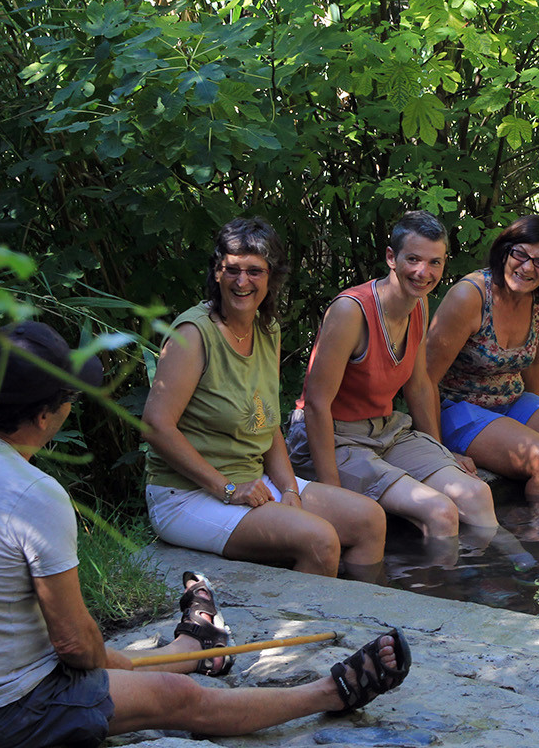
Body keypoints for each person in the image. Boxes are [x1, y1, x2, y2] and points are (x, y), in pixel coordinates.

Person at [0, 321, 410, 748]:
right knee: (176, 699)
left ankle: (196, 643)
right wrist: (117, 666)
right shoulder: (32, 494)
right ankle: (330, 693)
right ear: (43, 416)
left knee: (114, 661)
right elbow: (76, 650)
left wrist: (110, 663)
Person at [142, 218, 385, 580]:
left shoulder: (266, 328)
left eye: (254, 271)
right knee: (320, 540)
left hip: (255, 482)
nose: (242, 282)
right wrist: (226, 488)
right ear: (216, 272)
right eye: (232, 270)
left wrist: (289, 489)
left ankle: (362, 621)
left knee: (369, 519)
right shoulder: (194, 335)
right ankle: (304, 628)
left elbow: (266, 420)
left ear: (272, 276)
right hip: (187, 495)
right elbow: (155, 427)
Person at [287, 211, 498, 539]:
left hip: (386, 431)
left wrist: (440, 451)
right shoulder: (349, 311)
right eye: (413, 259)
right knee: (438, 511)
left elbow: (417, 386)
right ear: (391, 257)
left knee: (477, 494)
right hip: (335, 438)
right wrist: (332, 491)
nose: (423, 272)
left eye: (434, 262)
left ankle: (499, 584)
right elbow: (315, 404)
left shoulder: (420, 304)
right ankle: (434, 590)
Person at [423, 214, 539, 501]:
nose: (527, 267)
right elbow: (424, 378)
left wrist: (534, 421)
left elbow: (537, 361)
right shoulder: (469, 296)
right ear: (505, 250)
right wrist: (437, 452)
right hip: (456, 409)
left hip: (511, 402)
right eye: (520, 254)